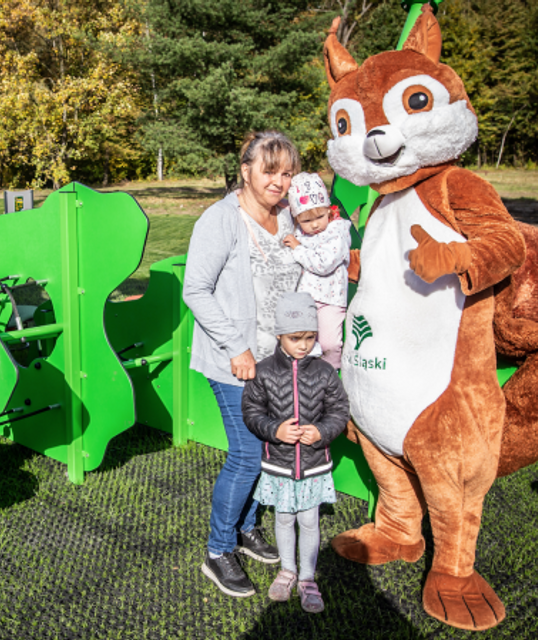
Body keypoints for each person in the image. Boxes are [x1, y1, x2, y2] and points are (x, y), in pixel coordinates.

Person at [183, 131, 303, 597]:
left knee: (268, 452)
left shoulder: (288, 215)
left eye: (287, 172)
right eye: (270, 170)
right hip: (237, 361)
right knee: (248, 454)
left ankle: (246, 527)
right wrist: (237, 347)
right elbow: (195, 290)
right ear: (246, 169)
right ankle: (217, 550)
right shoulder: (221, 220)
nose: (279, 181)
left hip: (278, 358)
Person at [242, 291, 349, 613]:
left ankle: (308, 579)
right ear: (279, 335)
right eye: (295, 338)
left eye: (310, 337)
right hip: (279, 464)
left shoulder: (325, 371)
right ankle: (287, 571)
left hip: (315, 464)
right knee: (284, 518)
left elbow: (339, 410)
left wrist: (322, 432)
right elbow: (251, 412)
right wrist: (275, 430)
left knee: (309, 520)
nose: (303, 345)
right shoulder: (262, 372)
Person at [281, 173, 351, 369]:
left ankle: (330, 373)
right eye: (306, 220)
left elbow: (323, 263)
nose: (314, 225)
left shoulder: (336, 234)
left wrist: (298, 248)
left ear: (329, 210)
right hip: (306, 299)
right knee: (301, 343)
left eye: (320, 217)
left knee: (329, 343)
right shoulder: (301, 233)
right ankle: (307, 374)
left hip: (330, 300)